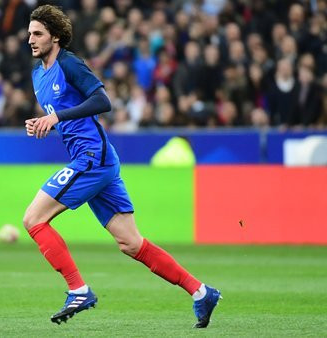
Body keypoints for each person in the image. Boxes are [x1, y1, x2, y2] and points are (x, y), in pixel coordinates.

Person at [23, 5, 221, 328]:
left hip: (92, 157)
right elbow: (65, 113)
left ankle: (78, 288)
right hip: (97, 159)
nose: (30, 39)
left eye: (38, 33)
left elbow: (103, 101)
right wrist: (44, 124)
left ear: (55, 37)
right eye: (29, 33)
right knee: (131, 243)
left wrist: (56, 117)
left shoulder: (69, 64)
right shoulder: (37, 75)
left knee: (33, 219)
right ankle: (201, 292)